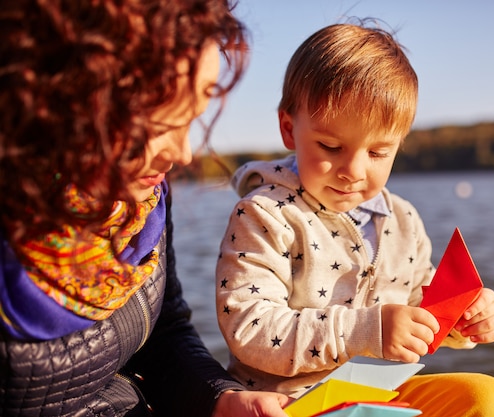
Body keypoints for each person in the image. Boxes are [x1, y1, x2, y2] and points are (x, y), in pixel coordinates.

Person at [215, 21, 494, 416]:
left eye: (378, 152)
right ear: (289, 129)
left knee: (489, 400)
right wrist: (367, 332)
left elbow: (422, 306)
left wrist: (466, 317)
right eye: (331, 146)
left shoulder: (403, 220)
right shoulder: (264, 216)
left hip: (379, 396)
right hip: (289, 404)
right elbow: (250, 327)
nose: (354, 171)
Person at [0, 0, 290, 416]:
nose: (184, 152)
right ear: (69, 91)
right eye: (156, 123)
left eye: (191, 117)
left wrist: (220, 399)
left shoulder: (142, 199)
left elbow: (165, 333)